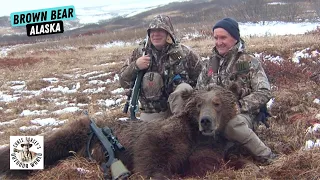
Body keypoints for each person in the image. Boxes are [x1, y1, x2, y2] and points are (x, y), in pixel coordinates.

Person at [196, 18, 277, 163]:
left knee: (231, 125)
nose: (219, 42)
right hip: (213, 113)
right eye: (216, 38)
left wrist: (239, 106)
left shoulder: (249, 61)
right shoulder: (210, 63)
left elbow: (264, 91)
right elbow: (199, 91)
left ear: (235, 37)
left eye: (223, 37)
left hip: (243, 113)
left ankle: (266, 155)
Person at [119, 14, 201, 121]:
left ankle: (183, 124)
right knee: (146, 136)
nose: (156, 34)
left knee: (184, 89)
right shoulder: (139, 53)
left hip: (181, 111)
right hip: (154, 111)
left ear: (169, 33)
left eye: (160, 30)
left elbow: (201, 79)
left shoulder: (185, 53)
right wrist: (136, 66)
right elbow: (123, 81)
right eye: (152, 31)